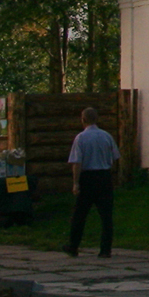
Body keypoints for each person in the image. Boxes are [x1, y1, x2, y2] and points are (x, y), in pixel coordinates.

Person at [64, 106, 120, 259]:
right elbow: (114, 157)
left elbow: (77, 162)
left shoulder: (81, 138)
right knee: (106, 216)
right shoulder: (106, 136)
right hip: (104, 177)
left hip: (87, 177)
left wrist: (76, 183)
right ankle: (105, 249)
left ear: (83, 120)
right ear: (97, 119)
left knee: (80, 215)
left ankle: (73, 246)